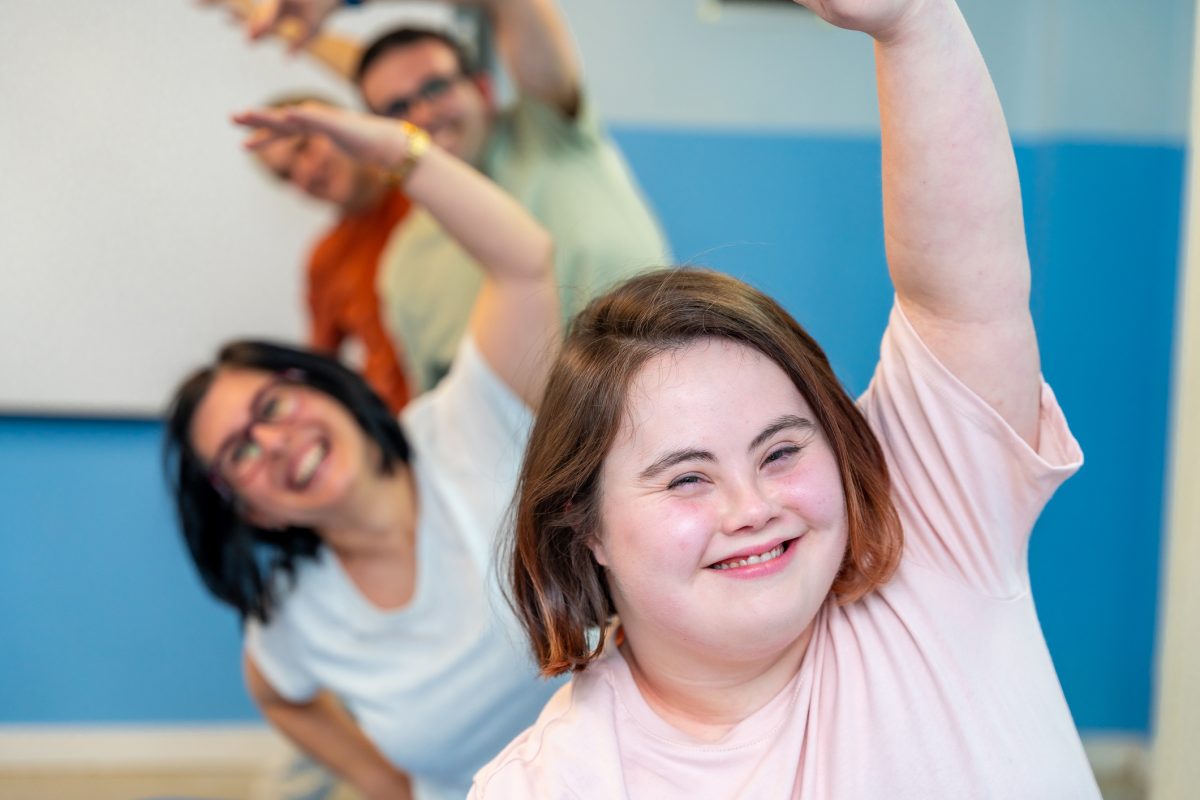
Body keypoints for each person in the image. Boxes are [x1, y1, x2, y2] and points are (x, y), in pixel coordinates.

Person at [473, 0, 1103, 797]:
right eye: (686, 478)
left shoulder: (938, 539)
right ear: (585, 525)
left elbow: (959, 301)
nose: (752, 506)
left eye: (780, 451)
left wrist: (913, 21)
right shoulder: (550, 783)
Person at [165, 104, 561, 800]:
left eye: (273, 406)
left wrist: (398, 152)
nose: (275, 443)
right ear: (248, 508)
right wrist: (385, 784)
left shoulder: (469, 418)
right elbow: (279, 694)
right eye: (239, 454)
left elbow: (524, 263)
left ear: (324, 387)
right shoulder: (292, 613)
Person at [224, 0, 669, 393]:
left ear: (481, 87)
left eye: (436, 88)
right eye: (398, 109)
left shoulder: (549, 134)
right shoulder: (404, 268)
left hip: (674, 396)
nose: (422, 113)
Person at [254, 95, 414, 413]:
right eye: (286, 174)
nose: (306, 173)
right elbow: (320, 370)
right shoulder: (325, 259)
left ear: (342, 124)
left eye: (303, 147)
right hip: (406, 427)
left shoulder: (429, 187)